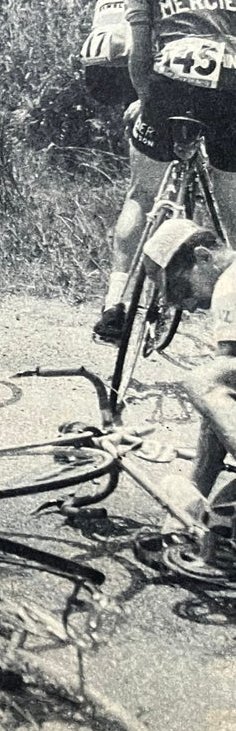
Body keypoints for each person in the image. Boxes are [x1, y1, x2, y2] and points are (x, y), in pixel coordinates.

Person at [94, 0, 236, 343]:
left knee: (142, 193)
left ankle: (115, 304)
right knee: (232, 207)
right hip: (230, 89)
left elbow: (139, 56)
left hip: (172, 90)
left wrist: (145, 99)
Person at [130, 218, 236, 529]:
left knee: (203, 379)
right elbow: (223, 406)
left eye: (178, 287)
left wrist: (194, 489)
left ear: (203, 257)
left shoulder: (230, 285)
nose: (183, 305)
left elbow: (215, 390)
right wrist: (195, 495)